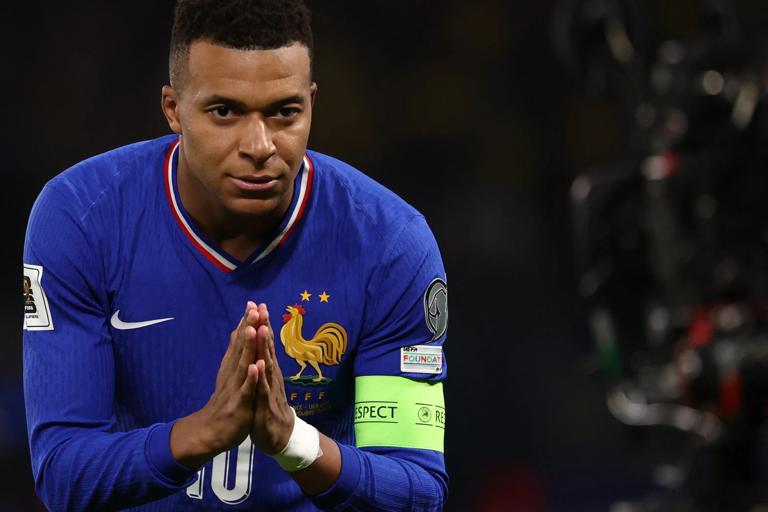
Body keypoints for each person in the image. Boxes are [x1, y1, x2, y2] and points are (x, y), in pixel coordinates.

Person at [22, 0, 448, 510]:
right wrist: (206, 430)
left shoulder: (390, 246)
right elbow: (63, 474)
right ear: (173, 109)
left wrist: (293, 440)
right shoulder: (81, 219)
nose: (259, 145)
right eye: (224, 112)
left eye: (284, 112)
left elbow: (418, 489)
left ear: (312, 103)